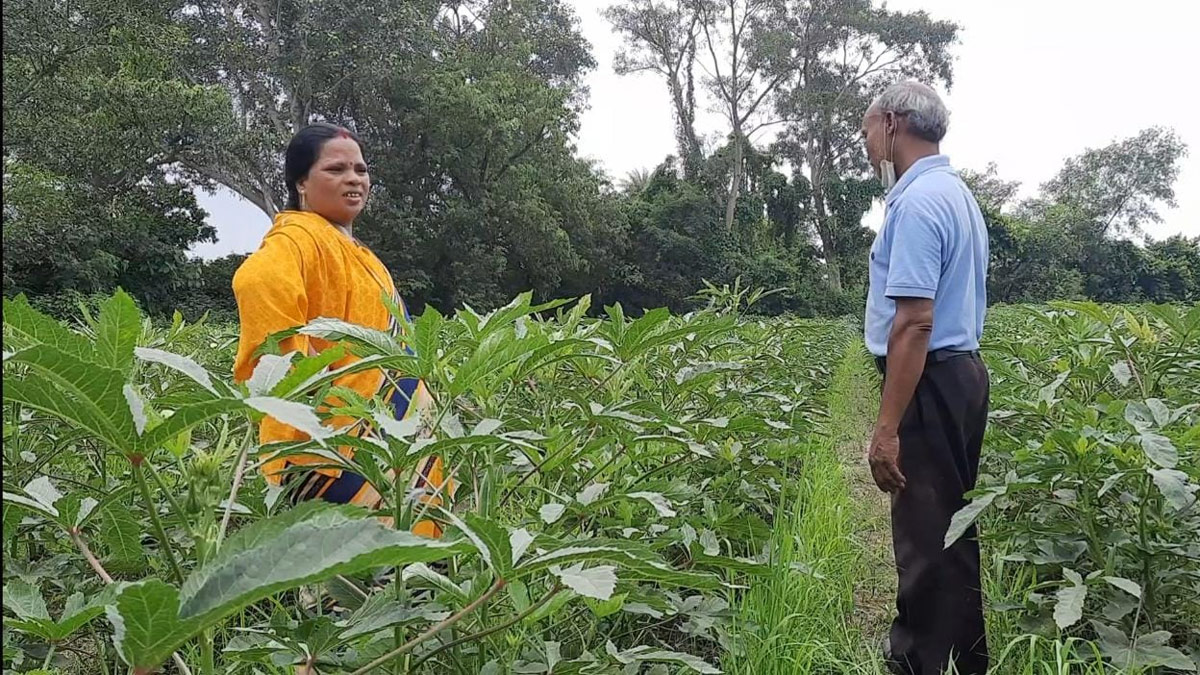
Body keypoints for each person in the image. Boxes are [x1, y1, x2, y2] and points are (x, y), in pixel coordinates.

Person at [231, 122, 450, 537]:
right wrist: (298, 372)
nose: (353, 179)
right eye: (335, 170)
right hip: (340, 441)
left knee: (407, 578)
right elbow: (256, 281)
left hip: (393, 435)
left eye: (361, 170)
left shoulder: (358, 252)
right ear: (302, 183)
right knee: (344, 576)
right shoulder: (296, 239)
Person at [860, 81, 991, 675]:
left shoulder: (915, 203)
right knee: (952, 532)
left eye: (866, 129)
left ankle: (919, 665)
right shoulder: (957, 194)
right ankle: (964, 660)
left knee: (923, 540)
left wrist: (887, 429)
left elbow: (913, 323)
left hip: (930, 380)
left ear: (892, 123)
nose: (865, 142)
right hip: (962, 377)